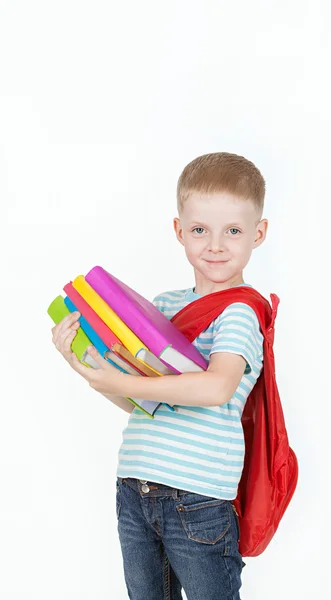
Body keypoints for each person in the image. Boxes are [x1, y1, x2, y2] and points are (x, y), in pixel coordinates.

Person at [51, 151, 269, 599]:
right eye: (199, 230)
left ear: (258, 234)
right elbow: (144, 403)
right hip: (135, 487)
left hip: (199, 498)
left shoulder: (241, 311)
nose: (215, 245)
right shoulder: (164, 306)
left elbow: (216, 386)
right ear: (179, 231)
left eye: (233, 230)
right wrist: (86, 367)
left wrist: (123, 382)